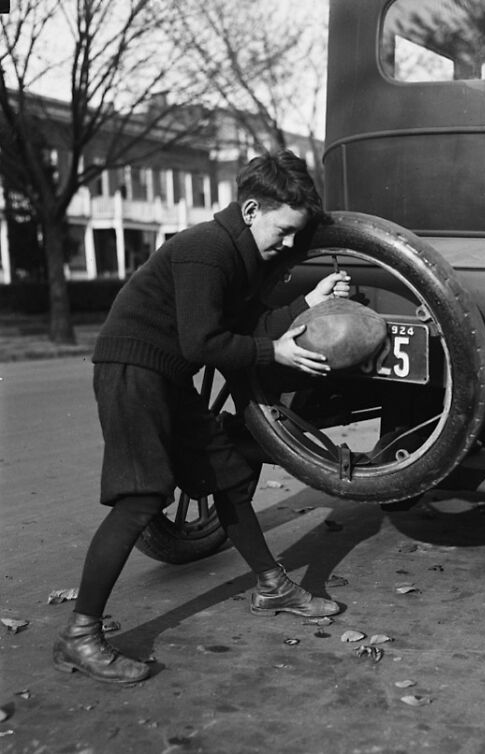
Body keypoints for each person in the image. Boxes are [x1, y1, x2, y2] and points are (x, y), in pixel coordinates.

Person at [53, 149, 351, 685]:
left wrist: (308, 302)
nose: (287, 245)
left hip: (165, 373)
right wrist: (274, 354)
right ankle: (80, 636)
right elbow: (206, 341)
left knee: (230, 479)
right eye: (283, 231)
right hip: (131, 371)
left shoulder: (236, 254)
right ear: (251, 209)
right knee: (141, 497)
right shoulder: (206, 250)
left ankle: (272, 587)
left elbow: (247, 325)